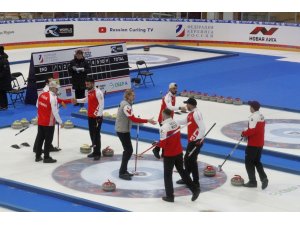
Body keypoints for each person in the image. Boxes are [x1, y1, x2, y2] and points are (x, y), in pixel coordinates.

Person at [155, 108, 200, 202]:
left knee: (167, 175)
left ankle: (170, 196)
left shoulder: (163, 127)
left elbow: (163, 144)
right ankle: (195, 189)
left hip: (169, 154)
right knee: (182, 172)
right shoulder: (176, 122)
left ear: (164, 115)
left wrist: (156, 144)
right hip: (178, 152)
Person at [115, 89, 156, 180]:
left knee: (128, 150)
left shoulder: (126, 103)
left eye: (134, 95)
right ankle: (122, 172)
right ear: (128, 96)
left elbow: (131, 118)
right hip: (122, 130)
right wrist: (147, 120)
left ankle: (124, 170)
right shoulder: (126, 106)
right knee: (128, 150)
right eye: (132, 95)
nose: (134, 96)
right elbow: (133, 119)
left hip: (123, 129)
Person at [33, 76, 72, 153]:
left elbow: (55, 99)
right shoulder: (45, 91)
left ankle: (44, 147)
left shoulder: (51, 90)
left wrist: (61, 102)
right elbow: (39, 104)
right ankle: (38, 148)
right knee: (44, 134)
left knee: (44, 134)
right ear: (48, 83)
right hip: (47, 115)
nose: (53, 80)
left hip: (48, 114)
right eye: (51, 80)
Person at [175, 98, 205, 188]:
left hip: (196, 141)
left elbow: (202, 127)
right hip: (192, 141)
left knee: (191, 161)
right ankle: (186, 178)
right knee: (188, 160)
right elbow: (184, 121)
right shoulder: (191, 114)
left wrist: (198, 140)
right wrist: (173, 121)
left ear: (191, 105)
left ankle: (196, 182)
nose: (186, 106)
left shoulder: (197, 113)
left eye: (187, 104)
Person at [153, 82, 186, 159]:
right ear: (170, 89)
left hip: (169, 119)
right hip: (163, 119)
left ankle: (163, 153)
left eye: (176, 88)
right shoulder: (167, 97)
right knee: (165, 136)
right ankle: (156, 149)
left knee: (167, 136)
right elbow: (170, 107)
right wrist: (180, 108)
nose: (175, 90)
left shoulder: (173, 96)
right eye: (174, 88)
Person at [74, 78, 104, 161]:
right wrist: (77, 100)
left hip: (97, 117)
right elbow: (85, 100)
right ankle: (95, 151)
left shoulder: (98, 92)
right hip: (90, 116)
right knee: (92, 134)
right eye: (86, 84)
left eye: (88, 84)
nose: (86, 86)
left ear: (93, 83)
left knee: (96, 135)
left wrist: (98, 116)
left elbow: (101, 105)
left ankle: (98, 153)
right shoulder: (89, 92)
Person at [241, 101, 268, 189]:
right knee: (257, 161)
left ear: (252, 107)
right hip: (260, 143)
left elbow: (252, 131)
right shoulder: (261, 116)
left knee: (249, 162)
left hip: (253, 144)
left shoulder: (253, 117)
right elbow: (257, 130)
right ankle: (264, 178)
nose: (249, 108)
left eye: (250, 106)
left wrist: (244, 133)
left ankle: (252, 181)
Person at [35, 81, 64, 163]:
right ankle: (46, 157)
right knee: (48, 140)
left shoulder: (41, 94)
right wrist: (60, 122)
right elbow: (55, 112)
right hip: (49, 123)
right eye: (56, 88)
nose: (57, 89)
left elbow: (37, 105)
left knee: (40, 139)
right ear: (52, 88)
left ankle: (37, 156)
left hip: (41, 121)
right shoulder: (53, 97)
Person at [0, 46, 12, 110]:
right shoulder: (2, 58)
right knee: (1, 93)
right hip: (2, 79)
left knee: (2, 92)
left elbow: (5, 71)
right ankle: (2, 105)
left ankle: (4, 106)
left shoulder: (4, 59)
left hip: (4, 80)